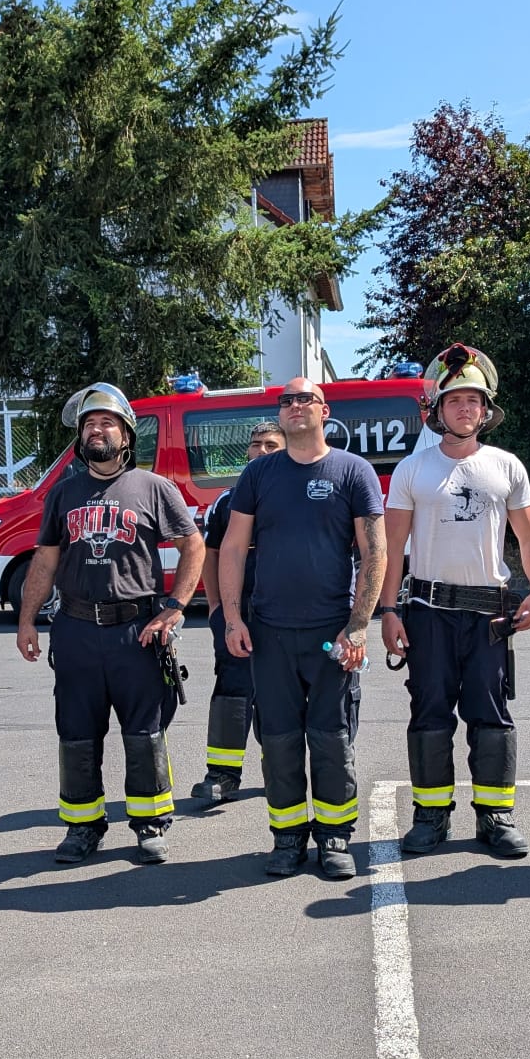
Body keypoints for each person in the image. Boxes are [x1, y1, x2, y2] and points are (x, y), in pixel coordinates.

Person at [16, 383, 206, 866]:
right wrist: (26, 619)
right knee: (76, 733)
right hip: (76, 629)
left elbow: (193, 545)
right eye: (89, 424)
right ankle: (82, 828)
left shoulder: (154, 488)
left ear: (126, 435)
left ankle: (150, 824)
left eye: (107, 423)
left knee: (144, 734)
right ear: (80, 437)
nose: (97, 430)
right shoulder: (63, 495)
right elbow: (44, 561)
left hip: (136, 630)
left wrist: (176, 606)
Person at [378, 344, 530, 859]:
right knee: (429, 713)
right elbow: (392, 545)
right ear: (438, 410)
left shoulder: (506, 466)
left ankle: (495, 818)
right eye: (456, 400)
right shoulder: (413, 469)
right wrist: (388, 611)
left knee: (490, 714)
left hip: (489, 615)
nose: (466, 408)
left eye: (474, 400)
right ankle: (431, 818)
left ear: (486, 409)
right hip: (427, 612)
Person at [221, 377, 386, 880]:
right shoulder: (258, 473)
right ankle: (288, 837)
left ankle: (335, 837)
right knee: (280, 739)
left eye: (304, 400)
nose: (295, 407)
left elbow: (375, 552)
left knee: (332, 738)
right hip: (269, 632)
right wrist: (232, 618)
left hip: (331, 634)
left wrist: (358, 628)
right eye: (287, 401)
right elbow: (232, 548)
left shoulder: (352, 471)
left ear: (323, 410)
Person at [191, 418, 286, 805]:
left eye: (271, 446)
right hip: (238, 614)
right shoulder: (227, 501)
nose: (260, 451)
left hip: (285, 616)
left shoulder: (294, 495)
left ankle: (279, 769)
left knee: (281, 694)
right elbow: (209, 555)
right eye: (256, 444)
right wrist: (217, 609)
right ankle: (223, 775)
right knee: (232, 690)